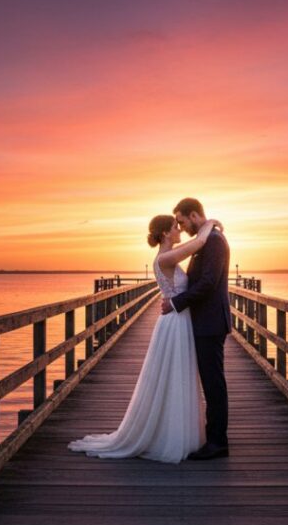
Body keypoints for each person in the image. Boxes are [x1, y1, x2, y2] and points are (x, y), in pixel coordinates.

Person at [67, 213, 222, 463]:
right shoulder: (165, 257)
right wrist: (211, 223)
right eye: (175, 227)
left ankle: (177, 431)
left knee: (178, 375)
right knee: (175, 374)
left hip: (178, 319)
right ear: (165, 233)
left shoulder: (168, 255)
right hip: (175, 322)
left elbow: (195, 246)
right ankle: (170, 435)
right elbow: (200, 242)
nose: (180, 230)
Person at [161, 197, 231, 460]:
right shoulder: (206, 239)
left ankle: (218, 443)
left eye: (181, 221)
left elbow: (209, 283)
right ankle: (213, 437)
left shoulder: (214, 241)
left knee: (213, 383)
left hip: (211, 323)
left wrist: (175, 303)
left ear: (193, 215)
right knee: (210, 382)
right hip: (204, 321)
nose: (181, 226)